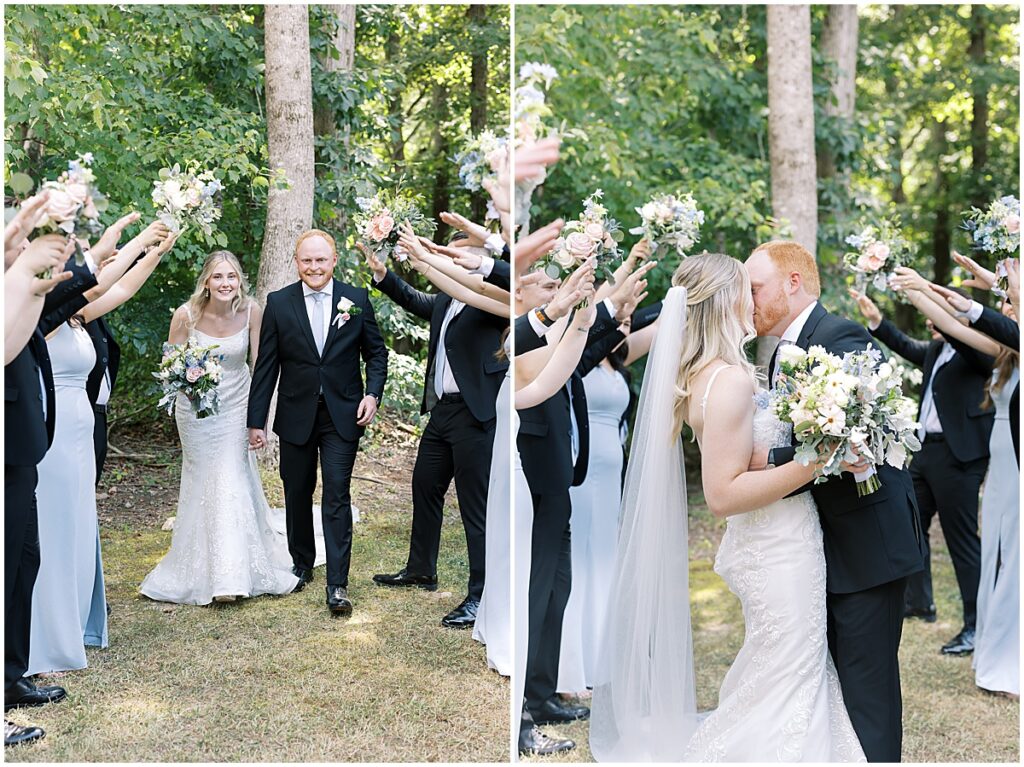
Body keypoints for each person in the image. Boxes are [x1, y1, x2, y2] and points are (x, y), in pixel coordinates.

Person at [591, 252, 869, 762]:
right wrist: (818, 462)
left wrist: (783, 453)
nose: (754, 297)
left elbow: (741, 456)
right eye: (747, 288)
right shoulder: (730, 380)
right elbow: (721, 494)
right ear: (726, 301)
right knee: (787, 668)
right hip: (777, 545)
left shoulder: (705, 375)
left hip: (772, 539)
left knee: (782, 667)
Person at [27, 227, 179, 676]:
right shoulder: (40, 314)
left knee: (77, 522)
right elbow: (96, 280)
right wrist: (131, 242)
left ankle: (74, 623)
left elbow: (121, 287)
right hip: (51, 431)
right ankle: (47, 635)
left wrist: (154, 253)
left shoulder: (75, 317)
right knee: (54, 526)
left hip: (80, 429)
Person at [140, 250, 303, 605]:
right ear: (206, 282)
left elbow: (261, 365)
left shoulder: (252, 312)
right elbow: (170, 364)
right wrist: (189, 382)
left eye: (231, 276)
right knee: (203, 480)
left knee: (230, 475)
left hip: (236, 404)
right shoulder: (186, 315)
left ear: (240, 280)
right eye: (218, 277)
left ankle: (230, 575)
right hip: (195, 410)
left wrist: (258, 418)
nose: (225, 283)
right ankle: (200, 566)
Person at [364, 229, 507, 629]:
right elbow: (418, 300)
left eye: (459, 255)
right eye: (449, 255)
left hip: (477, 414)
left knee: (475, 508)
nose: (452, 261)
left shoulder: (495, 301)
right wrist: (383, 275)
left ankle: (481, 594)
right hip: (442, 412)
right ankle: (421, 569)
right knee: (424, 486)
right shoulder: (447, 298)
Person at [248, 230, 388, 617]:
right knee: (296, 490)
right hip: (295, 414)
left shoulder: (356, 300)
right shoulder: (279, 303)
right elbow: (267, 366)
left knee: (337, 493)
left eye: (320, 260)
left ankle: (338, 583)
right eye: (306, 260)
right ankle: (303, 563)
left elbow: (376, 355)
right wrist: (256, 420)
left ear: (333, 260)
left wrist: (372, 394)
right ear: (297, 262)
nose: (313, 267)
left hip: (343, 415)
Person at [850, 287, 994, 655]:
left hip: (959, 457)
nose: (931, 321)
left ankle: (976, 626)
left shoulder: (978, 350)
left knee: (962, 543)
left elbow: (968, 346)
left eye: (940, 313)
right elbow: (907, 346)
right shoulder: (934, 350)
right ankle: (920, 603)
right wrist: (876, 320)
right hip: (925, 453)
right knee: (908, 525)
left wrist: (949, 324)